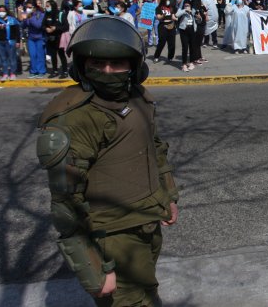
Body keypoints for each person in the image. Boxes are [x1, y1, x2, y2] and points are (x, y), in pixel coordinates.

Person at [36, 16, 179, 307]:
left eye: (117, 64)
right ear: (82, 66)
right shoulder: (76, 116)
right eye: (97, 64)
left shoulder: (137, 98)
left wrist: (168, 196)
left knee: (147, 293)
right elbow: (66, 202)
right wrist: (93, 267)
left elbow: (154, 149)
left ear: (134, 66)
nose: (107, 71)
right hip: (111, 235)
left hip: (146, 221)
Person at [0, 5, 21, 81]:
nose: (1, 12)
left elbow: (17, 32)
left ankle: (12, 73)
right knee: (3, 58)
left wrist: (18, 41)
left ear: (6, 11)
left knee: (12, 57)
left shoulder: (12, 20)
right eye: (0, 11)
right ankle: (5, 73)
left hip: (11, 41)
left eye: (3, 11)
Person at [21, 0, 47, 78]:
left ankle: (41, 71)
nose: (29, 9)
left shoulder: (41, 14)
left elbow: (38, 25)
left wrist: (29, 19)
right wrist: (25, 19)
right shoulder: (29, 15)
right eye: (28, 7)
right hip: (31, 38)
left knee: (40, 55)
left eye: (31, 7)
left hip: (40, 37)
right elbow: (23, 26)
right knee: (32, 55)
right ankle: (33, 71)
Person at [43, 0, 68, 78]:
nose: (46, 8)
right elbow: (43, 24)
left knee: (61, 55)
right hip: (51, 38)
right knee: (53, 55)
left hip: (59, 37)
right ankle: (55, 70)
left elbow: (66, 26)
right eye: (46, 6)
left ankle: (64, 71)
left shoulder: (61, 14)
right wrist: (46, 28)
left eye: (48, 6)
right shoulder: (46, 14)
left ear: (52, 6)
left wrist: (55, 28)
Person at [175, 0, 198, 72]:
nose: (187, 6)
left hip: (192, 30)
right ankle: (184, 64)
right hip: (184, 31)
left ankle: (191, 63)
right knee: (185, 47)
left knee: (192, 47)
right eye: (185, 5)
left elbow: (198, 19)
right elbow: (176, 15)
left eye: (188, 5)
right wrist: (185, 10)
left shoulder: (193, 11)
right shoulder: (181, 10)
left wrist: (198, 17)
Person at [153, 0, 176, 64]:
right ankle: (156, 56)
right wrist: (163, 15)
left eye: (169, 0)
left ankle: (170, 57)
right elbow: (158, 17)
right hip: (162, 26)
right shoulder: (158, 8)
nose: (168, 2)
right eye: (167, 0)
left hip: (171, 26)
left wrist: (177, 18)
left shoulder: (172, 7)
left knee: (172, 44)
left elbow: (173, 16)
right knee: (161, 43)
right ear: (163, 1)